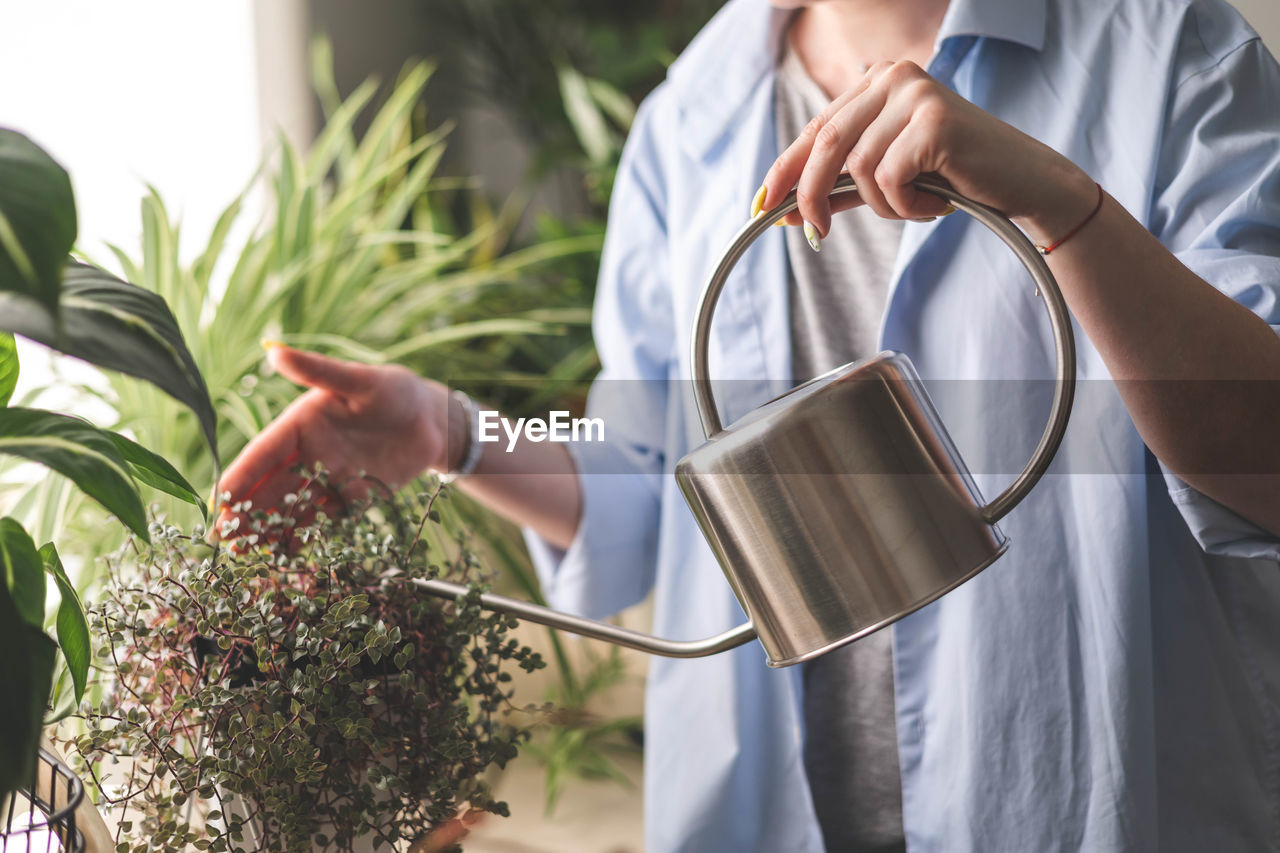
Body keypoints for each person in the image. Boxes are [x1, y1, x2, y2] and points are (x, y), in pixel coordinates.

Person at [218, 0, 1280, 849]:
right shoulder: (689, 117)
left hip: (1089, 803)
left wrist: (1062, 208)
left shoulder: (1169, 51)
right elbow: (638, 462)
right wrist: (450, 433)